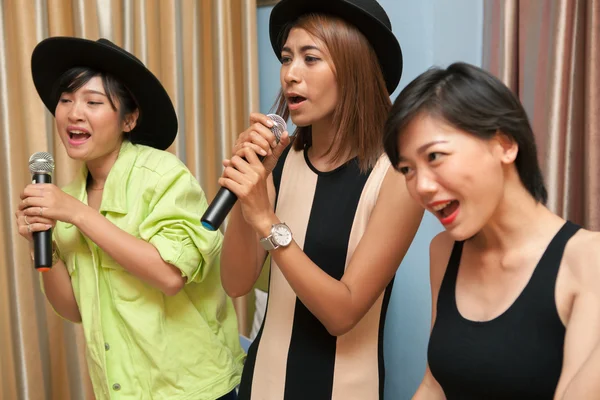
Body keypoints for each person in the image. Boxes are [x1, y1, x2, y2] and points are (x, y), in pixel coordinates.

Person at [15, 37, 244, 400]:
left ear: (129, 119)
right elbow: (74, 310)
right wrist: (44, 248)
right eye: (66, 100)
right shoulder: (70, 194)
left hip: (195, 389)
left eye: (93, 102)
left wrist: (77, 215)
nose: (74, 113)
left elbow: (169, 275)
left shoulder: (163, 176)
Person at [218, 0, 424, 399]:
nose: (290, 74)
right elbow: (235, 282)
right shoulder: (281, 161)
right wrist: (252, 188)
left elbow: (342, 313)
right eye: (286, 58)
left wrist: (267, 221)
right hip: (261, 385)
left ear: (355, 70)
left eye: (310, 59)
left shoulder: (396, 176)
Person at [382, 62, 600, 399]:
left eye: (435, 156)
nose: (421, 186)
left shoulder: (588, 259)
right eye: (407, 169)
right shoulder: (444, 251)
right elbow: (434, 385)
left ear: (505, 144)